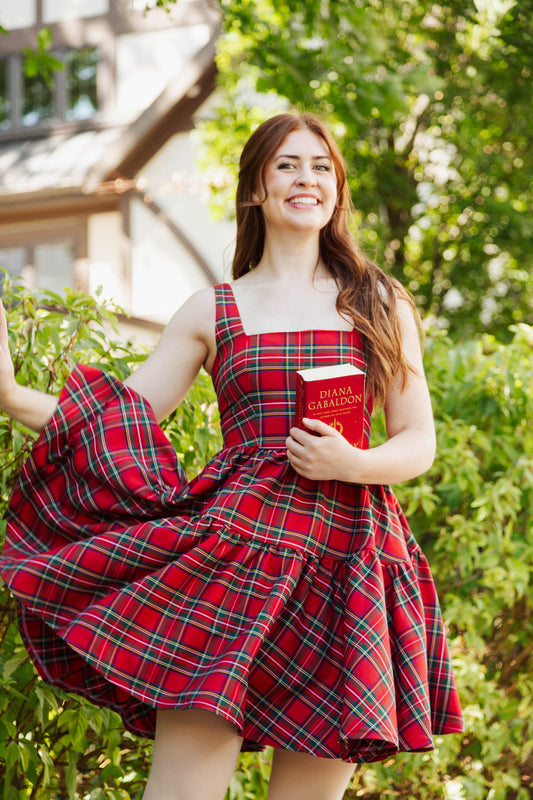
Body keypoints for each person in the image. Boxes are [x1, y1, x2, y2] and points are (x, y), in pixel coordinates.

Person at [0, 112, 463, 800]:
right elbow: (116, 422)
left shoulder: (378, 300)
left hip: (349, 563)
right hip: (234, 558)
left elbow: (416, 441)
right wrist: (9, 394)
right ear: (255, 189)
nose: (305, 179)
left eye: (319, 167)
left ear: (336, 188)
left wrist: (352, 464)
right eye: (286, 165)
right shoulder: (211, 309)